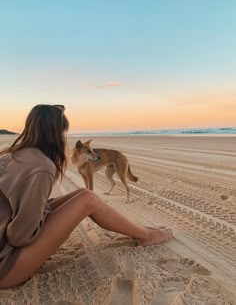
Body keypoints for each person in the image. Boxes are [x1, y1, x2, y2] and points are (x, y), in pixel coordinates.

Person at [0, 104, 172, 289]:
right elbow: (19, 237)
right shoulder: (42, 166)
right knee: (87, 200)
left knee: (84, 193)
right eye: (63, 132)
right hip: (7, 265)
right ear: (55, 133)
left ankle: (137, 230)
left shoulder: (10, 155)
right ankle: (147, 236)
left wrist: (42, 211)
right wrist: (42, 216)